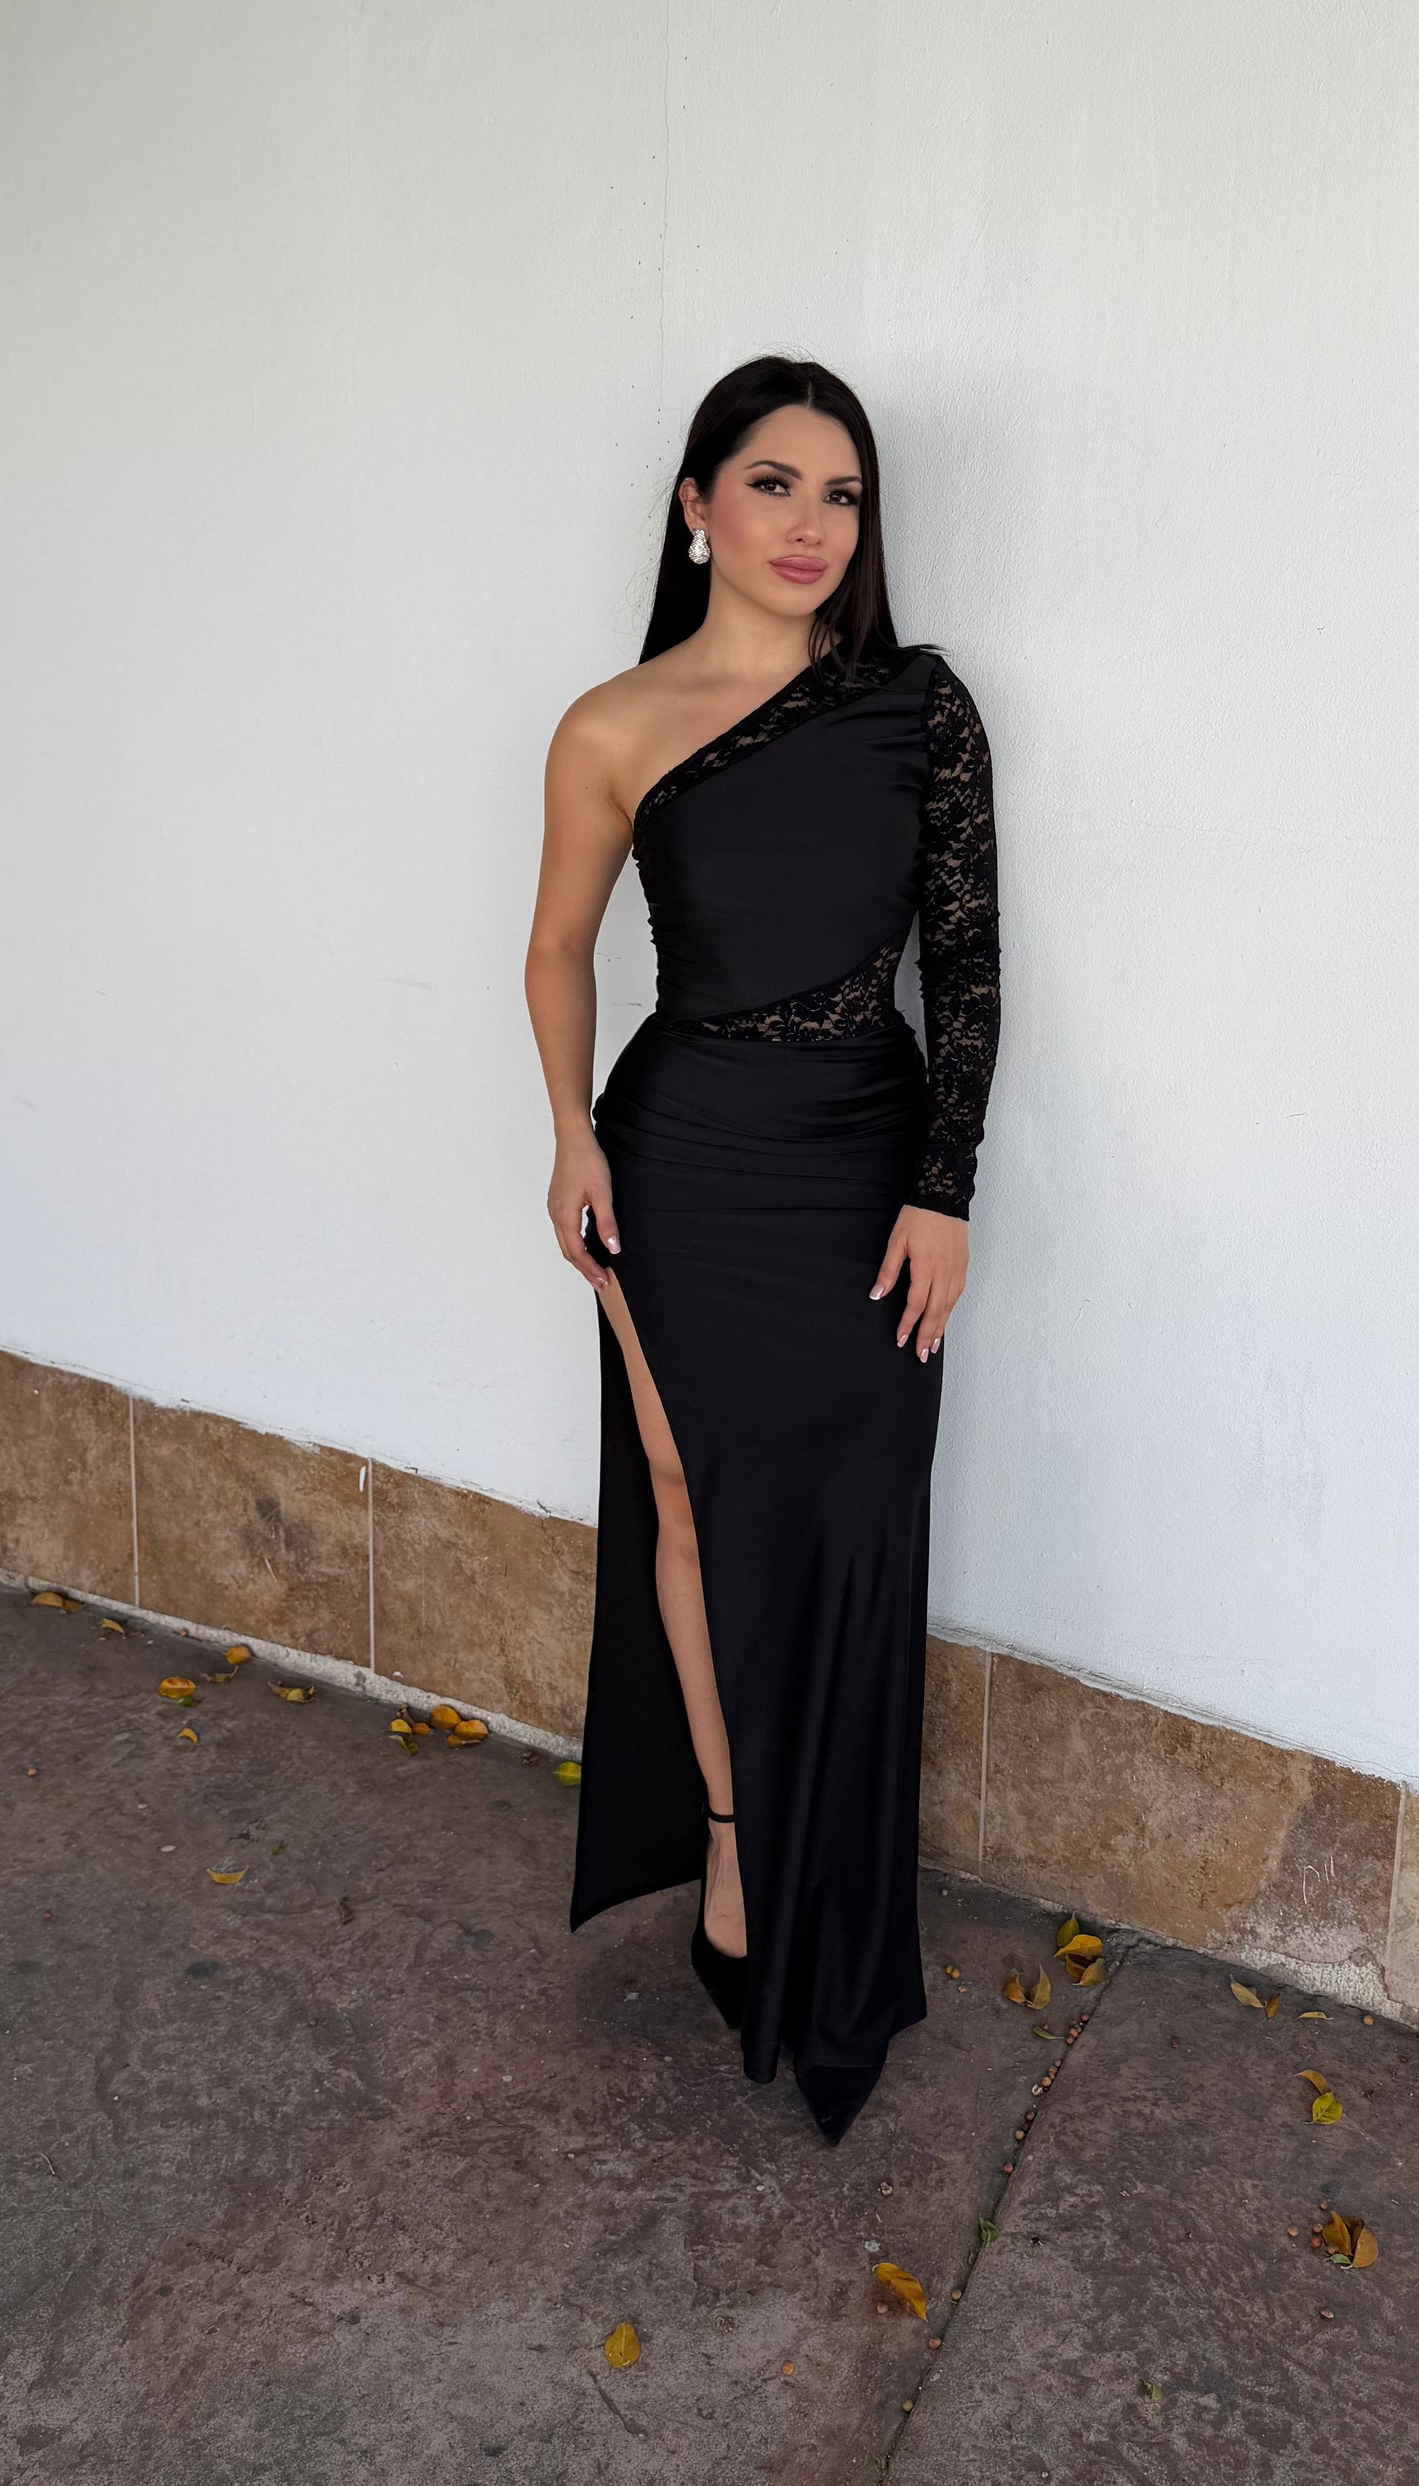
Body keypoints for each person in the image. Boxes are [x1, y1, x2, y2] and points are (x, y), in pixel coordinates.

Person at [524, 355, 1001, 2146]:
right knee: (686, 1492)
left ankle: (839, 1899)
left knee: (853, 1519)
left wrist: (943, 1187)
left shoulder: (917, 708)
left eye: (842, 493)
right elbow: (556, 946)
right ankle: (733, 1850)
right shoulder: (609, 725)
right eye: (774, 484)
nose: (811, 525)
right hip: (682, 1155)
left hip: (865, 1155)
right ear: (696, 504)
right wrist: (571, 1132)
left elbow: (967, 965)